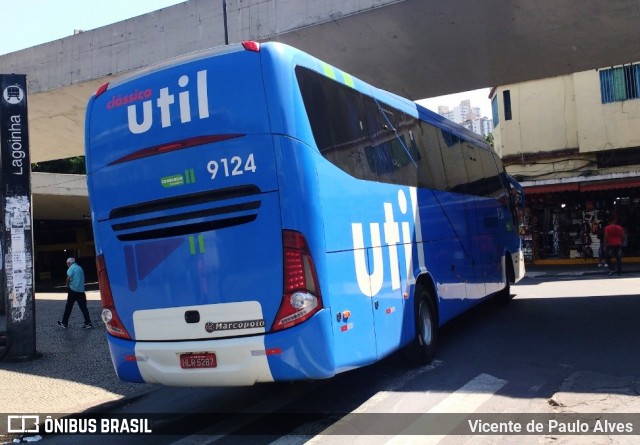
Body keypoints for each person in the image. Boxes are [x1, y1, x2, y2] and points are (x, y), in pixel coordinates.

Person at [57, 257, 93, 329]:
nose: (67, 264)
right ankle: (88, 322)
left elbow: (68, 277)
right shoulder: (80, 268)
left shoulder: (71, 268)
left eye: (67, 263)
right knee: (83, 308)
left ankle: (64, 323)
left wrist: (67, 284)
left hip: (73, 290)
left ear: (69, 263)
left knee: (68, 307)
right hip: (81, 291)